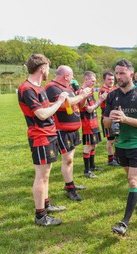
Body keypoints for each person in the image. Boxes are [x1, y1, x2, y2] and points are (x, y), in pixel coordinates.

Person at [103, 59, 137, 236]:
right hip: (120, 145)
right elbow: (105, 122)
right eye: (116, 73)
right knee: (133, 179)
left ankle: (124, 223)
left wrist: (125, 119)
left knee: (133, 180)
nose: (118, 76)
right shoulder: (112, 95)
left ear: (131, 74)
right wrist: (111, 117)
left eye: (122, 73)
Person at [17, 54, 68, 226]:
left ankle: (46, 205)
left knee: (46, 174)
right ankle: (40, 216)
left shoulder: (38, 88)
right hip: (40, 136)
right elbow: (42, 114)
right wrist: (60, 101)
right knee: (41, 176)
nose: (49, 72)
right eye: (48, 68)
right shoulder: (27, 89)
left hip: (48, 134)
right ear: (42, 68)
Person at [45, 65, 92, 201]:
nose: (72, 79)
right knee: (68, 159)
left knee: (70, 159)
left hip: (72, 129)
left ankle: (70, 184)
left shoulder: (68, 88)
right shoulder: (52, 87)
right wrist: (81, 95)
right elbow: (65, 103)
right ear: (66, 76)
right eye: (71, 76)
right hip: (62, 130)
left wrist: (83, 97)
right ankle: (70, 188)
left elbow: (79, 105)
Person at [78, 71, 106, 179]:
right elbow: (89, 109)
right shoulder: (81, 92)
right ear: (86, 79)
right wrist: (100, 100)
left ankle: (92, 166)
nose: (94, 83)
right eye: (92, 81)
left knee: (94, 145)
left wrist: (97, 102)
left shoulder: (90, 92)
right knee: (88, 145)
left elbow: (93, 107)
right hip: (87, 123)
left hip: (93, 122)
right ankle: (86, 170)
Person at [99, 70, 119, 166]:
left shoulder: (114, 88)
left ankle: (116, 157)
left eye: (112, 79)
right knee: (110, 140)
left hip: (115, 117)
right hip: (107, 118)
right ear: (104, 80)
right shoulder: (103, 91)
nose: (111, 81)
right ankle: (111, 160)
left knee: (117, 138)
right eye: (109, 79)